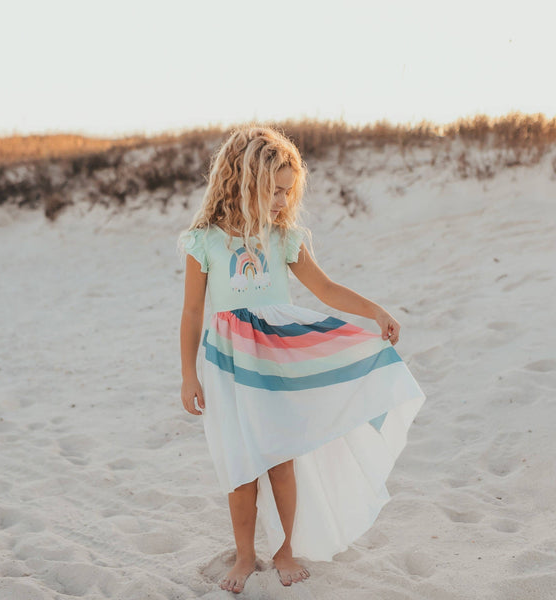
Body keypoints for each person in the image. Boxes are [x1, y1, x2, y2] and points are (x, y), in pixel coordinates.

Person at [178, 125, 426, 593]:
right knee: (240, 466)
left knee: (280, 461)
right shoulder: (204, 241)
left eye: (287, 192)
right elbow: (192, 312)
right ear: (244, 182)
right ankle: (246, 555)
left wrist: (376, 311)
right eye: (273, 190)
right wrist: (188, 374)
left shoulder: (283, 238)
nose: (280, 200)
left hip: (277, 361)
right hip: (227, 365)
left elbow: (326, 289)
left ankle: (285, 549)